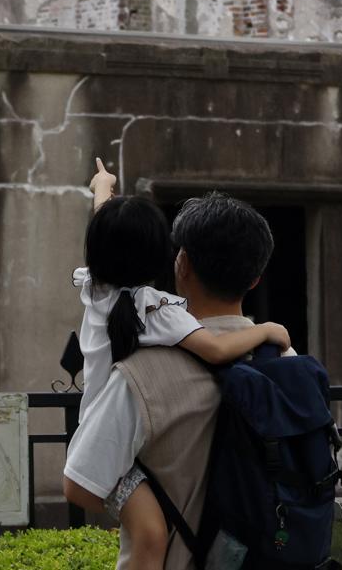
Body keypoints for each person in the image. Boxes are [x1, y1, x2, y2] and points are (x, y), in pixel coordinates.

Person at [63, 191, 280, 570]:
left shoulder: (105, 305)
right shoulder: (289, 367)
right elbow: (215, 350)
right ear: (257, 277)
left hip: (169, 539)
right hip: (270, 550)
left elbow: (79, 482)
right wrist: (266, 331)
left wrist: (102, 187)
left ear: (182, 263)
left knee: (150, 534)